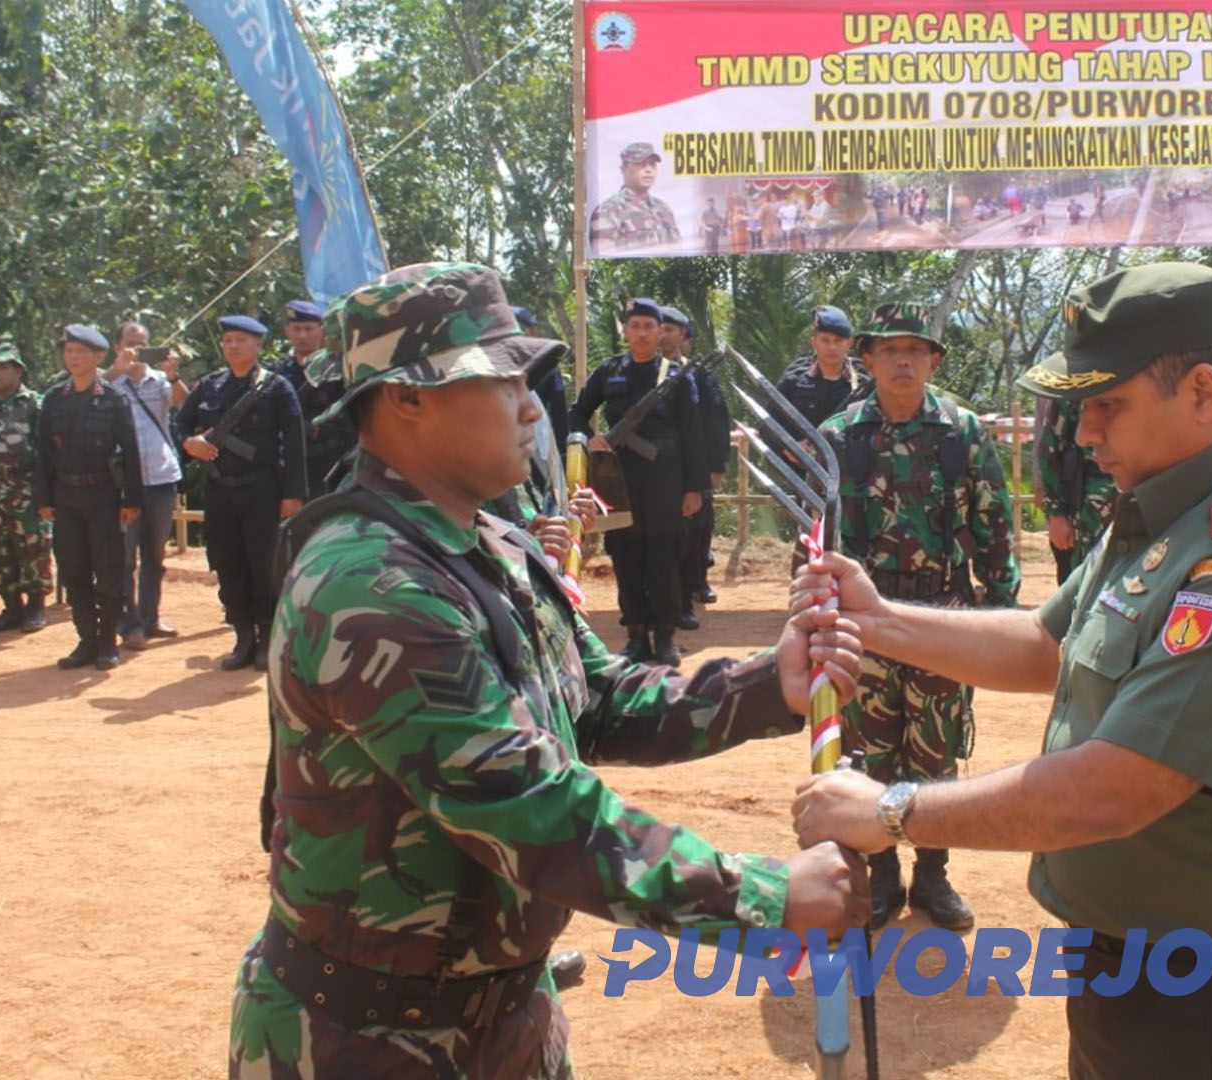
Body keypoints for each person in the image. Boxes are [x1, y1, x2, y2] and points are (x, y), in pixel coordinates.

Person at [229, 261, 867, 1080]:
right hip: (366, 1044)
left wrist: (760, 686)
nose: (533, 406)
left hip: (504, 1023)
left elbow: (593, 700)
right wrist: (765, 900)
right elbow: (526, 806)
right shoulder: (370, 584)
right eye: (503, 380)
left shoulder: (488, 544)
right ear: (408, 398)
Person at [793, 263, 1212, 1078]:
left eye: (1107, 405)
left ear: (1201, 392)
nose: (1085, 433)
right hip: (1140, 956)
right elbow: (1046, 643)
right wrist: (875, 618)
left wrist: (889, 811)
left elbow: (1113, 788)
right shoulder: (1174, 501)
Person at [817, 302, 1021, 934]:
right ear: (868, 359)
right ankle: (880, 878)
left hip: (943, 618)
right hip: (864, 626)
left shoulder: (962, 431)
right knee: (868, 749)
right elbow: (814, 536)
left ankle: (932, 874)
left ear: (933, 361)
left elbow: (994, 522)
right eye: (889, 350)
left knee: (935, 752)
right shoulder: (839, 434)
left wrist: (1000, 615)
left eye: (916, 350)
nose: (903, 361)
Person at [569, 298, 705, 665]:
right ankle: (635, 636)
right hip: (617, 481)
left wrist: (694, 488)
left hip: (666, 480)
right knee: (626, 556)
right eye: (635, 326)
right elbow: (577, 414)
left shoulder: (677, 376)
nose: (642, 333)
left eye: (649, 326)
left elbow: (694, 434)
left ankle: (664, 637)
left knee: (663, 557)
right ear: (625, 331)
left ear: (661, 331)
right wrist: (590, 439)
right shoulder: (610, 371)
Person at [175, 314, 306, 671]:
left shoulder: (276, 387)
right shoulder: (210, 386)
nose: (234, 346)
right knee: (228, 564)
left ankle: (267, 639)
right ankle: (243, 637)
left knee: (264, 566)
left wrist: (293, 494)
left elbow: (294, 443)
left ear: (258, 345)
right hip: (219, 491)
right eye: (229, 340)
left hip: (262, 490)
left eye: (242, 340)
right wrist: (191, 443)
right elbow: (181, 423)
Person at [35, 324, 144, 671]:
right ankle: (86, 640)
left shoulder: (113, 398)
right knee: (73, 571)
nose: (74, 358)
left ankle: (108, 641)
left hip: (103, 497)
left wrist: (132, 500)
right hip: (66, 497)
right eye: (69, 351)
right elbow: (41, 453)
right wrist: (44, 497)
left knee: (108, 570)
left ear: (98, 357)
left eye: (81, 352)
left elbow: (130, 451)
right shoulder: (53, 399)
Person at [108, 322, 184, 648]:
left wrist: (174, 373)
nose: (137, 350)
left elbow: (184, 403)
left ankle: (151, 617)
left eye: (143, 344)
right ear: (117, 347)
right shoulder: (110, 383)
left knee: (155, 555)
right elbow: (86, 394)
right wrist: (115, 370)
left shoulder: (159, 381)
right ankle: (130, 624)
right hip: (124, 484)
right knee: (125, 558)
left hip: (162, 477)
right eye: (130, 343)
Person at [0, 344, 52, 633]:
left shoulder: (33, 404)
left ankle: (36, 605)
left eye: (2, 367)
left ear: (18, 370)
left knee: (32, 548)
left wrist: (45, 494)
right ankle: (12, 606)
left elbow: (46, 452)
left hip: (25, 489)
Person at [659, 306, 728, 630]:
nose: (662, 335)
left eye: (670, 329)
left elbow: (716, 420)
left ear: (683, 336)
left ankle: (687, 595)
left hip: (691, 469)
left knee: (693, 535)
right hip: (650, 472)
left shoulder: (698, 375)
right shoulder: (634, 371)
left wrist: (714, 466)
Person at [271, 299, 355, 505]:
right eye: (296, 329)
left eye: (309, 329)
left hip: (332, 466)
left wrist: (313, 429)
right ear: (287, 331)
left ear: (322, 330)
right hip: (288, 469)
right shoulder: (276, 374)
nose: (302, 335)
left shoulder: (341, 371)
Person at [1035, 397, 1114, 585]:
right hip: (1089, 510)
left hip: (1138, 500)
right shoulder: (1073, 388)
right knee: (1084, 579)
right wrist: (1056, 514)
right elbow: (1049, 451)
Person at [777, 306, 871, 430]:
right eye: (825, 340)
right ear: (814, 342)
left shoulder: (865, 381)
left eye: (838, 341)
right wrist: (790, 446)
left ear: (849, 343)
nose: (832, 347)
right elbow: (768, 428)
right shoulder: (794, 379)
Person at [587, 142, 679, 250]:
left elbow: (677, 247)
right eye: (641, 164)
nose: (649, 170)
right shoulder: (608, 211)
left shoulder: (664, 209)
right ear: (623, 169)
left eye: (652, 164)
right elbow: (603, 256)